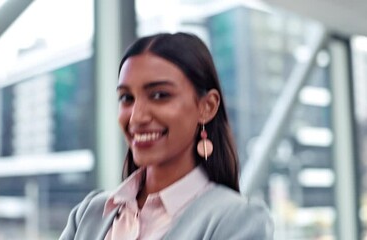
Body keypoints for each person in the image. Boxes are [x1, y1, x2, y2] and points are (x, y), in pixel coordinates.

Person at [60, 32, 273, 240]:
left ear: (207, 107)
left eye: (160, 95)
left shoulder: (236, 219)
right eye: (126, 98)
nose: (136, 117)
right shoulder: (89, 214)